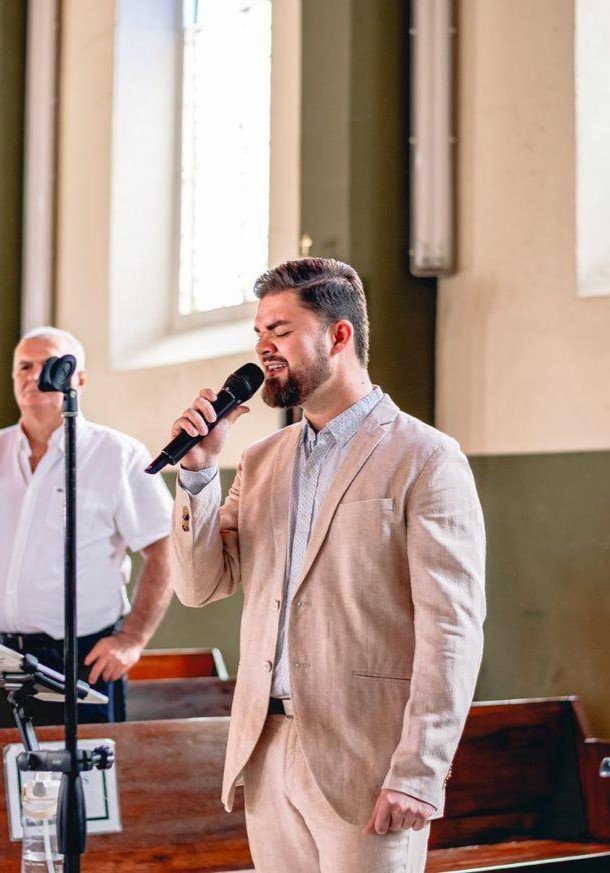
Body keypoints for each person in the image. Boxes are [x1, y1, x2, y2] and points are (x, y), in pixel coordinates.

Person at [169, 258, 486, 873]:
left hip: (368, 762)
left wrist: (419, 771)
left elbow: (452, 629)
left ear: (339, 336)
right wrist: (198, 473)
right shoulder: (261, 460)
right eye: (259, 333)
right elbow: (200, 586)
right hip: (266, 752)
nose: (263, 347)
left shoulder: (426, 457)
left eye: (280, 331)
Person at [0, 327, 173, 726]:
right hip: (3, 659)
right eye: (24, 366)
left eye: (50, 364)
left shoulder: (118, 455)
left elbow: (165, 548)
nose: (35, 376)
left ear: (79, 378)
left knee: (84, 767)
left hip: (80, 660)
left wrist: (132, 640)